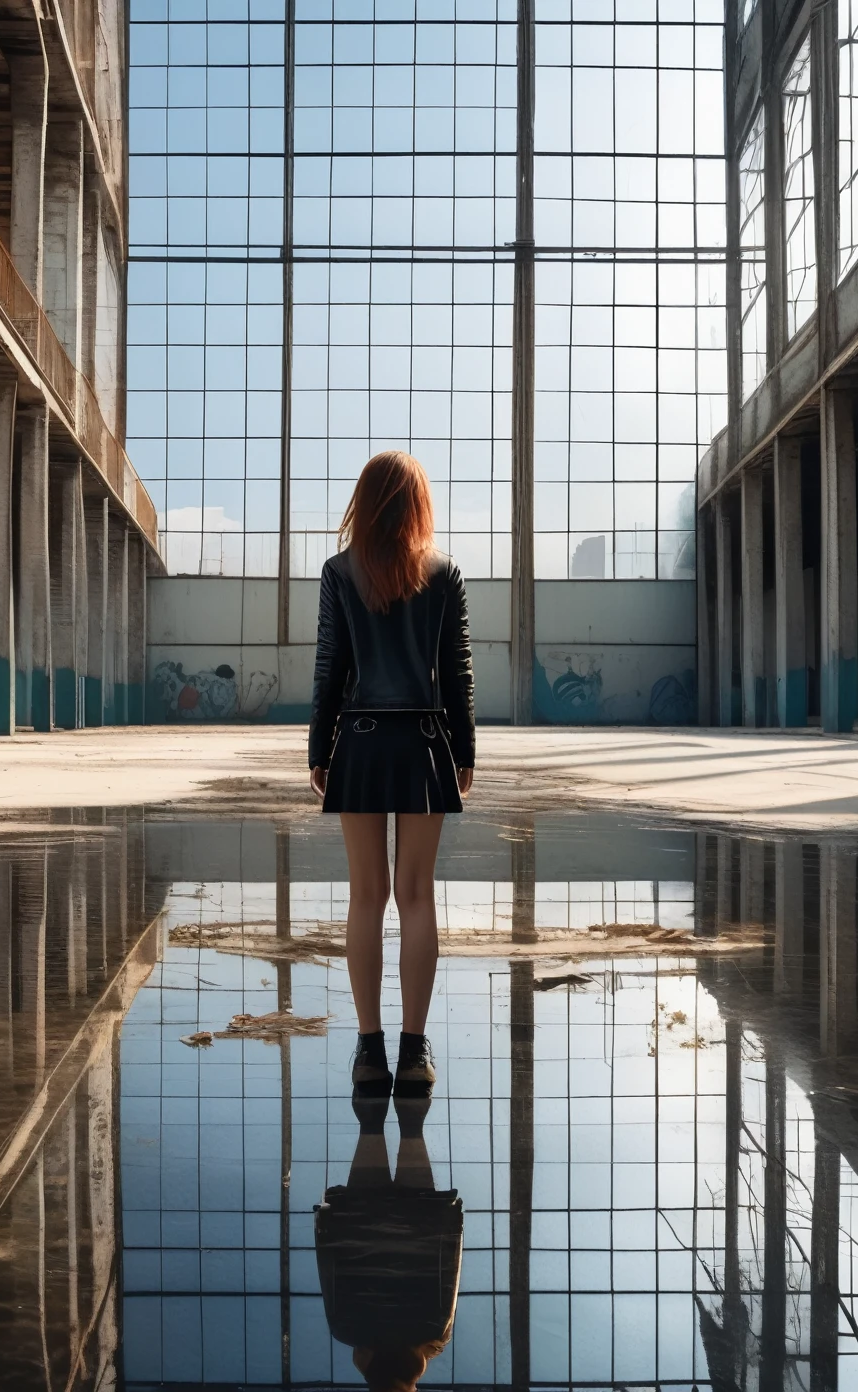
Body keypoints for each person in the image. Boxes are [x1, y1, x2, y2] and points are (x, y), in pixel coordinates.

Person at [308, 450, 475, 1097]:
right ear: (417, 504)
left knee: (364, 897)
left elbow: (330, 667)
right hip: (425, 747)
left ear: (364, 500)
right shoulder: (444, 573)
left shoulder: (338, 572)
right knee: (416, 897)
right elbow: (457, 672)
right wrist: (465, 753)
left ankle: (368, 1051)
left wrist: (320, 750)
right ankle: (415, 1052)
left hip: (361, 744)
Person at [313, 1094, 463, 1392]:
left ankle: (413, 1069)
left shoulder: (432, 1329)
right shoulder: (350, 1328)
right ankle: (372, 1069)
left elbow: (446, 1268)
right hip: (359, 1221)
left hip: (422, 1224)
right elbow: (333, 1268)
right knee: (371, 1126)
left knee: (411, 1128)